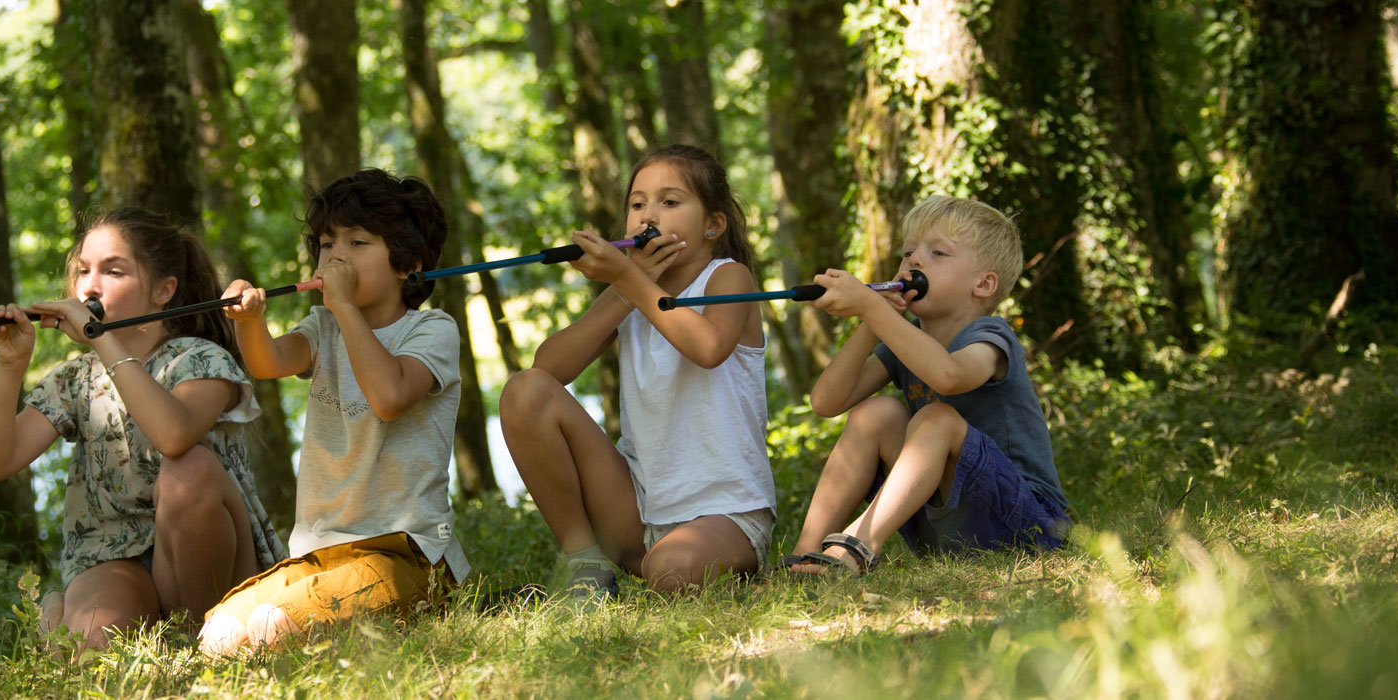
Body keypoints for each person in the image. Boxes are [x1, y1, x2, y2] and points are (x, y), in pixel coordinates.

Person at [0, 208, 285, 648]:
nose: (89, 285)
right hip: (113, 557)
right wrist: (10, 365)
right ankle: (64, 618)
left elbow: (173, 436)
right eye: (83, 270)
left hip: (211, 556)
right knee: (94, 648)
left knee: (187, 468)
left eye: (113, 270)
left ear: (164, 290)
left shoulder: (199, 359)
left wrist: (99, 336)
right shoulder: (75, 379)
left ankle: (207, 645)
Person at [199, 169, 466, 655]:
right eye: (326, 243)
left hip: (406, 552)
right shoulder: (323, 325)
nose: (336, 255)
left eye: (357, 242)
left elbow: (388, 396)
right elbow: (269, 361)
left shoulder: (433, 331)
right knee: (220, 632)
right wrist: (252, 321)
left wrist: (342, 305)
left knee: (270, 628)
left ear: (409, 264)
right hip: (318, 553)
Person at [498, 144, 776, 600]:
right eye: (638, 204)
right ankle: (587, 568)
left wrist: (628, 280)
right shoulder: (631, 292)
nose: (650, 215)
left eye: (670, 202)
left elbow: (707, 348)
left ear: (713, 225)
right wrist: (623, 290)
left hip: (728, 516)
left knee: (670, 570)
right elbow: (547, 370)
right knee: (523, 390)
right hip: (637, 514)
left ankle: (684, 561)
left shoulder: (728, 278)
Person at [783, 195, 1069, 575]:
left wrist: (870, 307)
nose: (914, 260)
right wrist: (873, 321)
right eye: (908, 252)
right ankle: (805, 557)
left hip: (1027, 526)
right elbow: (826, 401)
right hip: (946, 530)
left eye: (938, 253)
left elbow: (948, 377)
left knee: (937, 418)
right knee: (876, 413)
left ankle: (858, 546)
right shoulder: (905, 340)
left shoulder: (991, 337)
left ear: (983, 284)